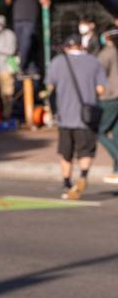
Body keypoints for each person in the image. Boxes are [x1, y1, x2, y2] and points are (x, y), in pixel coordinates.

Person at [43, 35, 107, 199]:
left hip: (65, 116)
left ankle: (66, 182)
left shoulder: (58, 62)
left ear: (66, 47)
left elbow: (50, 86)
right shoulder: (94, 62)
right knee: (85, 150)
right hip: (86, 117)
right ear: (81, 46)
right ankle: (83, 175)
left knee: (66, 152)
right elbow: (101, 89)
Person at [4, 0, 50, 74]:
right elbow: (7, 2)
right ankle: (28, 67)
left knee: (27, 41)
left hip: (30, 21)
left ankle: (20, 64)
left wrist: (45, 1)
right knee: (22, 45)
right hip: (17, 21)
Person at [96, 29, 118, 184]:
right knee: (116, 132)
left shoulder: (107, 53)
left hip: (110, 96)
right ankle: (116, 170)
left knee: (99, 130)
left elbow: (98, 75)